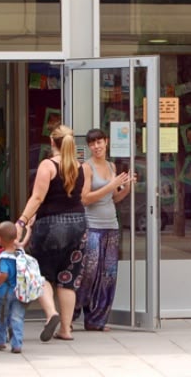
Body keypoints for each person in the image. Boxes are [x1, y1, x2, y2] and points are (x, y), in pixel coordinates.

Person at [16, 125, 91, 342]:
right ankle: (66, 329)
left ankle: (51, 313)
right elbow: (81, 197)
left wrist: (22, 220)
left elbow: (37, 198)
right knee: (69, 277)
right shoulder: (82, 167)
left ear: (52, 142)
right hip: (79, 225)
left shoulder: (47, 165)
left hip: (50, 224)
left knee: (41, 273)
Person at [73, 128, 134, 332]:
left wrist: (126, 187)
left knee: (108, 275)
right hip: (92, 226)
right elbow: (85, 198)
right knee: (88, 273)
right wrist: (112, 185)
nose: (96, 146)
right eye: (92, 143)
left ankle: (96, 320)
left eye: (99, 142)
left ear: (106, 142)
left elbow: (114, 198)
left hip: (111, 226)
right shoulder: (86, 167)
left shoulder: (111, 165)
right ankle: (71, 313)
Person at [0, 221, 32, 353]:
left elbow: (4, 275)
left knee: (1, 315)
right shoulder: (21, 252)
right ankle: (17, 344)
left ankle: (0, 341)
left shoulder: (3, 257)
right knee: (17, 317)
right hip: (20, 291)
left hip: (4, 292)